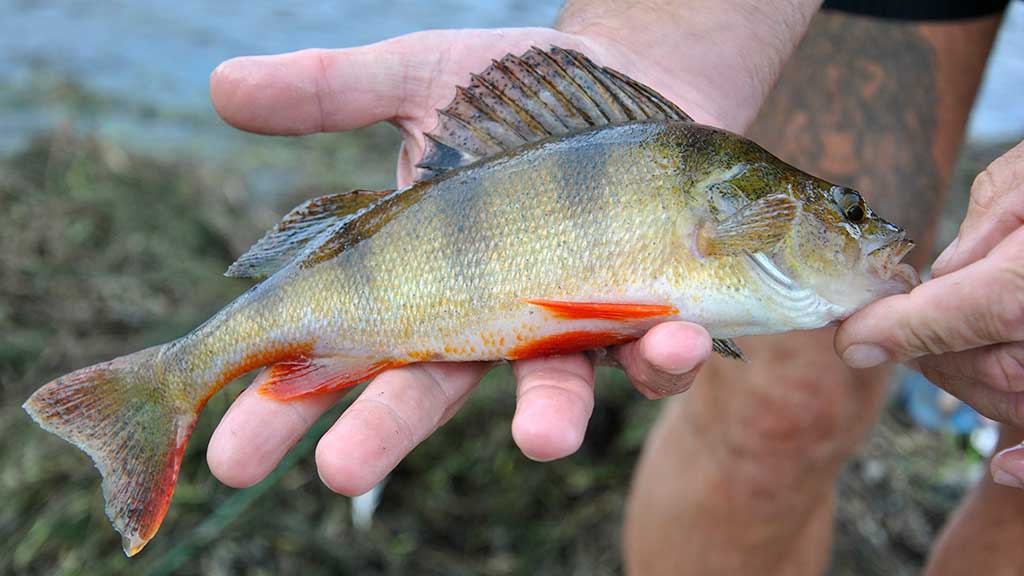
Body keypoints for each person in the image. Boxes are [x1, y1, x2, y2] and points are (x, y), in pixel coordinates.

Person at [203, 0, 1024, 573]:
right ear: (751, 216)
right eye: (847, 213)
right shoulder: (727, 217)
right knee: (785, 414)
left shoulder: (736, 220)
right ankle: (181, 372)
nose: (866, 229)